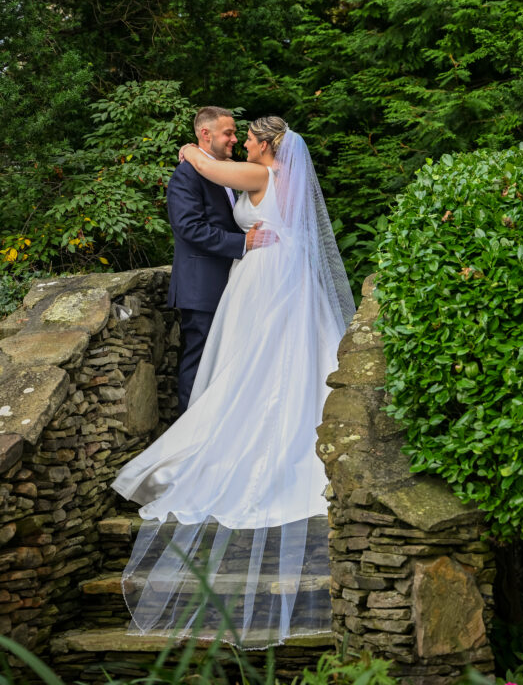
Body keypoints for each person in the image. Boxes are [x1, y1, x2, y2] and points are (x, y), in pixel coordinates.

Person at [112, 117, 355, 647]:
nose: (242, 140)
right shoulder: (276, 177)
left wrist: (189, 147)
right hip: (276, 274)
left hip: (265, 276)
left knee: (253, 365)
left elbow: (205, 163)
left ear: (267, 145)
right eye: (232, 133)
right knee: (271, 363)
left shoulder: (258, 173)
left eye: (248, 136)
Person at [166, 106, 263, 414]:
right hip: (202, 286)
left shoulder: (226, 171)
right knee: (199, 359)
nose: (234, 139)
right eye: (228, 133)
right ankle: (185, 429)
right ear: (205, 134)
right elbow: (189, 227)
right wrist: (242, 243)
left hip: (232, 282)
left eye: (235, 133)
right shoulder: (186, 174)